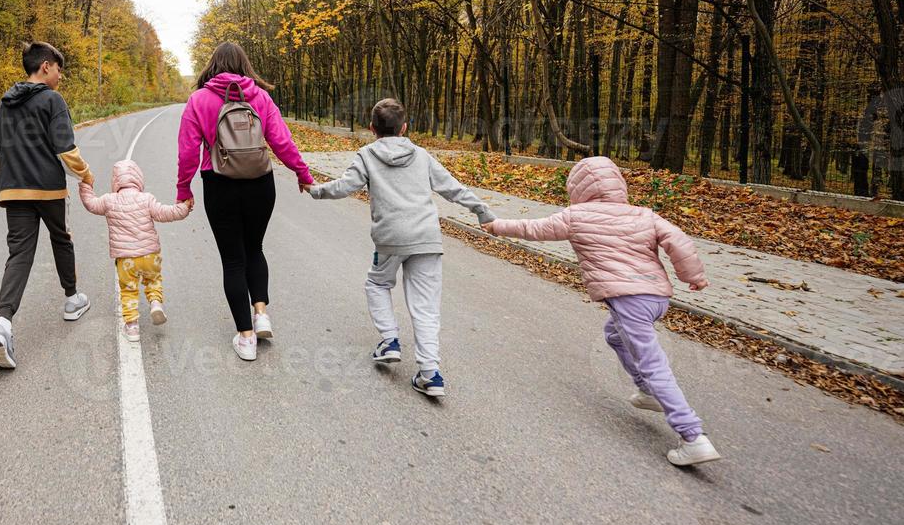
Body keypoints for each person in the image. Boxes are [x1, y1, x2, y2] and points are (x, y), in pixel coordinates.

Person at [483, 155, 720, 466]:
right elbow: (679, 241)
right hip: (657, 298)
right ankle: (647, 392)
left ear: (577, 188)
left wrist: (497, 226)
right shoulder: (643, 214)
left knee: (653, 363)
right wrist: (694, 277)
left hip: (628, 299)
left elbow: (533, 228)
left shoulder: (576, 216)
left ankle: (692, 436)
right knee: (614, 335)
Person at [309, 98, 495, 398]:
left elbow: (345, 186)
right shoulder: (421, 155)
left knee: (377, 283)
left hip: (391, 237)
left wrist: (315, 190)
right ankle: (430, 374)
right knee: (426, 306)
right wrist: (483, 211)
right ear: (405, 127)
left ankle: (390, 340)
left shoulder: (367, 154)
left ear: (372, 129)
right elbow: (452, 187)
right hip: (427, 237)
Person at [176, 41, 313, 362]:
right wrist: (302, 172)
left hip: (219, 184)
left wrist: (184, 189)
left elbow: (187, 152)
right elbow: (281, 140)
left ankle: (246, 337)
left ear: (212, 65)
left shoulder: (199, 100)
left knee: (232, 259)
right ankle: (261, 312)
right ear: (244, 65)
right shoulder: (260, 96)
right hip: (260, 184)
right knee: (255, 248)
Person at [0, 42, 94, 370]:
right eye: (59, 69)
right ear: (45, 66)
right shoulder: (51, 99)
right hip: (48, 190)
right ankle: (72, 299)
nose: (60, 76)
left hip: (13, 191)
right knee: (61, 238)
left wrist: (14, 173)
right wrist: (86, 175)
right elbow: (65, 149)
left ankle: (2, 325)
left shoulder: (5, 104)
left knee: (19, 254)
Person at [78, 160, 192, 341]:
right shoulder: (146, 199)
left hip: (125, 260)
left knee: (129, 290)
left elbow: (91, 203)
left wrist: (86, 185)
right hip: (149, 255)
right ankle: (155, 303)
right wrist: (184, 207)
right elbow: (166, 213)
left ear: (115, 181)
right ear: (138, 178)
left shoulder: (108, 200)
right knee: (153, 280)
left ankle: (132, 327)